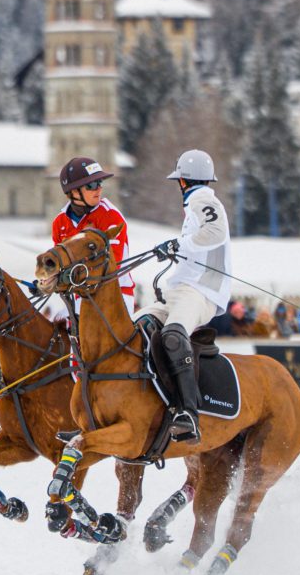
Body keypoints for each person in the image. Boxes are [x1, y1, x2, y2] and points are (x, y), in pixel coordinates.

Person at [137, 149, 231, 444]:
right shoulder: (194, 203)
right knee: (136, 327)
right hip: (179, 290)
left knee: (174, 335)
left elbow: (216, 232)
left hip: (201, 292)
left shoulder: (203, 199)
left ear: (183, 182)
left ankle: (189, 412)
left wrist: (179, 243)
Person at [52, 156, 135, 309]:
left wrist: (67, 275)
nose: (98, 189)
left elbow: (108, 265)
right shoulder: (60, 223)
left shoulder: (111, 216)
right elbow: (60, 263)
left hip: (116, 293)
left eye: (99, 183)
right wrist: (47, 280)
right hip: (78, 297)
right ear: (73, 192)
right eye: (91, 185)